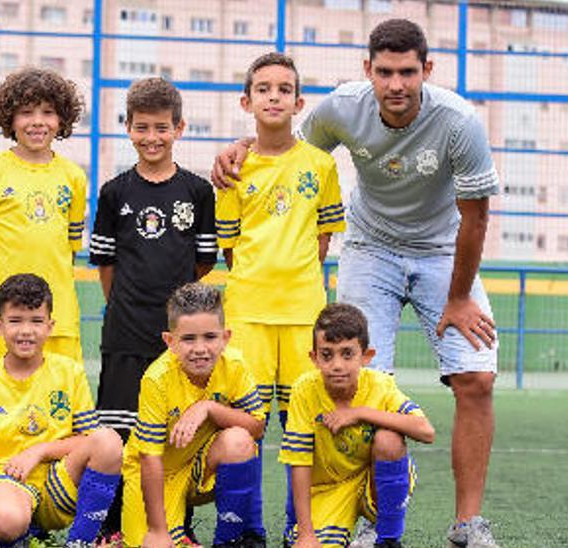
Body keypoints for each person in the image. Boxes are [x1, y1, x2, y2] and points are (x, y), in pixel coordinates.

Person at [213, 19, 502, 547]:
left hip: (444, 251)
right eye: (385, 72)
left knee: (477, 379)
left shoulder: (459, 122)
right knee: (360, 381)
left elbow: (477, 217)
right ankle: (370, 520)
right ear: (368, 70)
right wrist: (240, 146)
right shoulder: (341, 107)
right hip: (371, 248)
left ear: (426, 71)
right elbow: (284, 147)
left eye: (408, 72)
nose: (396, 84)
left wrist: (459, 297)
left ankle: (468, 524)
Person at [216, 51, 345, 536]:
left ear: (299, 101)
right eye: (264, 89)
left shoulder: (320, 165)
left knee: (304, 423)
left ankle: (300, 527)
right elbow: (231, 247)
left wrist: (296, 282)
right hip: (247, 313)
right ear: (247, 101)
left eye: (284, 89)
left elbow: (322, 240)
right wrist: (257, 282)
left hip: (304, 315)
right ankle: (243, 528)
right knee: (246, 424)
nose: (274, 96)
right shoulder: (233, 168)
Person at [89, 76, 218, 439]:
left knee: (171, 432)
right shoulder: (114, 192)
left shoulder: (198, 191)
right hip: (125, 329)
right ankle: (116, 499)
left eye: (162, 128)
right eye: (141, 127)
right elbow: (106, 263)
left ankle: (168, 497)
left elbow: (204, 261)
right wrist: (125, 304)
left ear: (179, 128)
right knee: (118, 432)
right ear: (128, 128)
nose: (151, 137)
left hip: (178, 330)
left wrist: (177, 304)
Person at [0, 274, 122, 548]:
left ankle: (80, 541)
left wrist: (39, 451)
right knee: (5, 520)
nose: (26, 331)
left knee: (109, 441)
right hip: (8, 481)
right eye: (15, 321)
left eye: (36, 320)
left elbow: (89, 441)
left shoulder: (70, 374)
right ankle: (20, 537)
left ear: (50, 326)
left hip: (59, 482)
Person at [0, 67, 88, 374]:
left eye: (48, 112)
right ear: (10, 119)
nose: (37, 122)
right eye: (26, 112)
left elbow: (68, 252)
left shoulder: (73, 177)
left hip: (58, 321)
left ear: (62, 119)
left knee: (60, 410)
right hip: (1, 320)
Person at [120, 283, 267, 548]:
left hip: (201, 465)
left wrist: (208, 408)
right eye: (188, 339)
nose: (200, 348)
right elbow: (149, 458)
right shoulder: (157, 379)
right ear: (170, 341)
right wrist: (157, 530)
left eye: (210, 337)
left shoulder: (234, 365)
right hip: (157, 475)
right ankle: (167, 532)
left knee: (239, 441)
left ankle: (229, 540)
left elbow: (257, 427)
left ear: (226, 337)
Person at [281, 303, 435, 548]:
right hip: (327, 488)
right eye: (327, 354)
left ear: (366, 356)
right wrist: (306, 533)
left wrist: (361, 413)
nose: (337, 365)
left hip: (369, 481)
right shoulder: (304, 390)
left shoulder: (380, 385)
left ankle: (387, 539)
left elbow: (426, 431)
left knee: (389, 440)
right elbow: (298, 461)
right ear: (314, 358)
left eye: (347, 353)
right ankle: (302, 527)